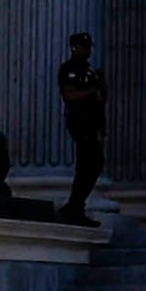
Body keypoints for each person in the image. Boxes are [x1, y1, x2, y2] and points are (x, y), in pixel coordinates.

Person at [56, 33, 109, 223]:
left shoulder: (89, 70)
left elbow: (102, 98)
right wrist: (92, 91)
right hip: (81, 122)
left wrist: (101, 84)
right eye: (83, 47)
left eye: (88, 47)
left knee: (94, 164)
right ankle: (75, 206)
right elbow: (70, 95)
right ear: (74, 47)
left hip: (93, 123)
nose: (87, 51)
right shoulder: (70, 69)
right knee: (88, 164)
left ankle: (77, 205)